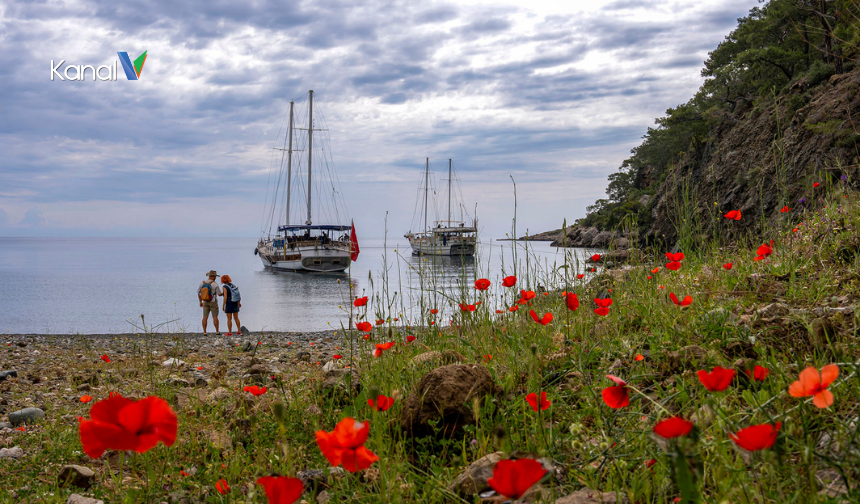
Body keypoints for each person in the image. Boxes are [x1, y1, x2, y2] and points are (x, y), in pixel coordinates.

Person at [198, 270, 223, 335]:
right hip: (213, 302)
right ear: (214, 276)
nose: (215, 278)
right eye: (215, 276)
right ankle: (217, 331)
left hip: (205, 301)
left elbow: (199, 293)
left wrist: (200, 301)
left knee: (205, 317)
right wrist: (224, 293)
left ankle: (204, 332)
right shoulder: (215, 284)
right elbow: (219, 294)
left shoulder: (202, 283)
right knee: (215, 317)